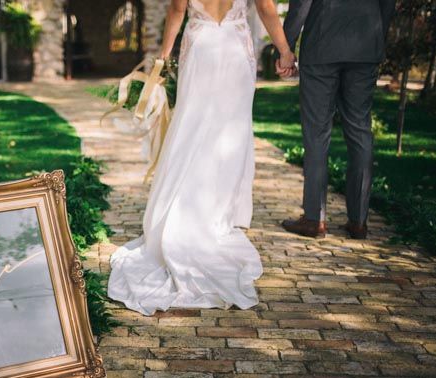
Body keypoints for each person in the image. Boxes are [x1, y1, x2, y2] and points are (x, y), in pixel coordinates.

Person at [106, 0, 295, 315]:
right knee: (229, 133)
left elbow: (178, 9)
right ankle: (217, 214)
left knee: (192, 128)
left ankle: (189, 206)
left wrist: (163, 57)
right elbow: (266, 8)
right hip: (235, 50)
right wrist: (285, 51)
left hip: (202, 48)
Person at [280, 0, 396, 239]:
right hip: (366, 44)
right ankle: (359, 221)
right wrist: (376, 36)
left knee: (317, 133)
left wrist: (286, 46)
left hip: (322, 43)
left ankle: (315, 218)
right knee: (360, 129)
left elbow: (302, 3)